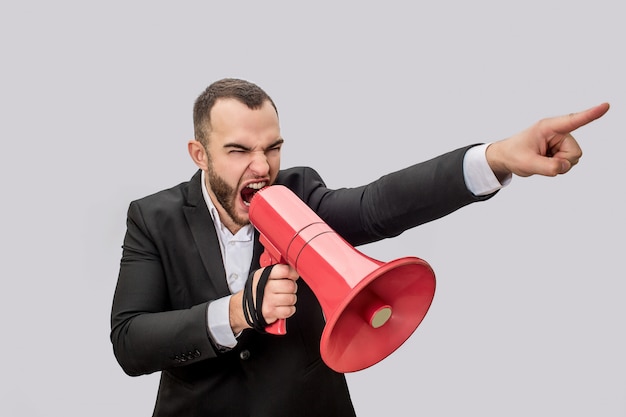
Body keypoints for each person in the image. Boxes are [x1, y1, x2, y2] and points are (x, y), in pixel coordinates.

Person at [110, 78, 609, 417]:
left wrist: (497, 158)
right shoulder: (153, 218)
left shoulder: (298, 193)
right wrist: (240, 311)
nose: (261, 167)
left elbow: (377, 205)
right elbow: (131, 342)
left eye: (273, 147)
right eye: (239, 151)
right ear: (199, 153)